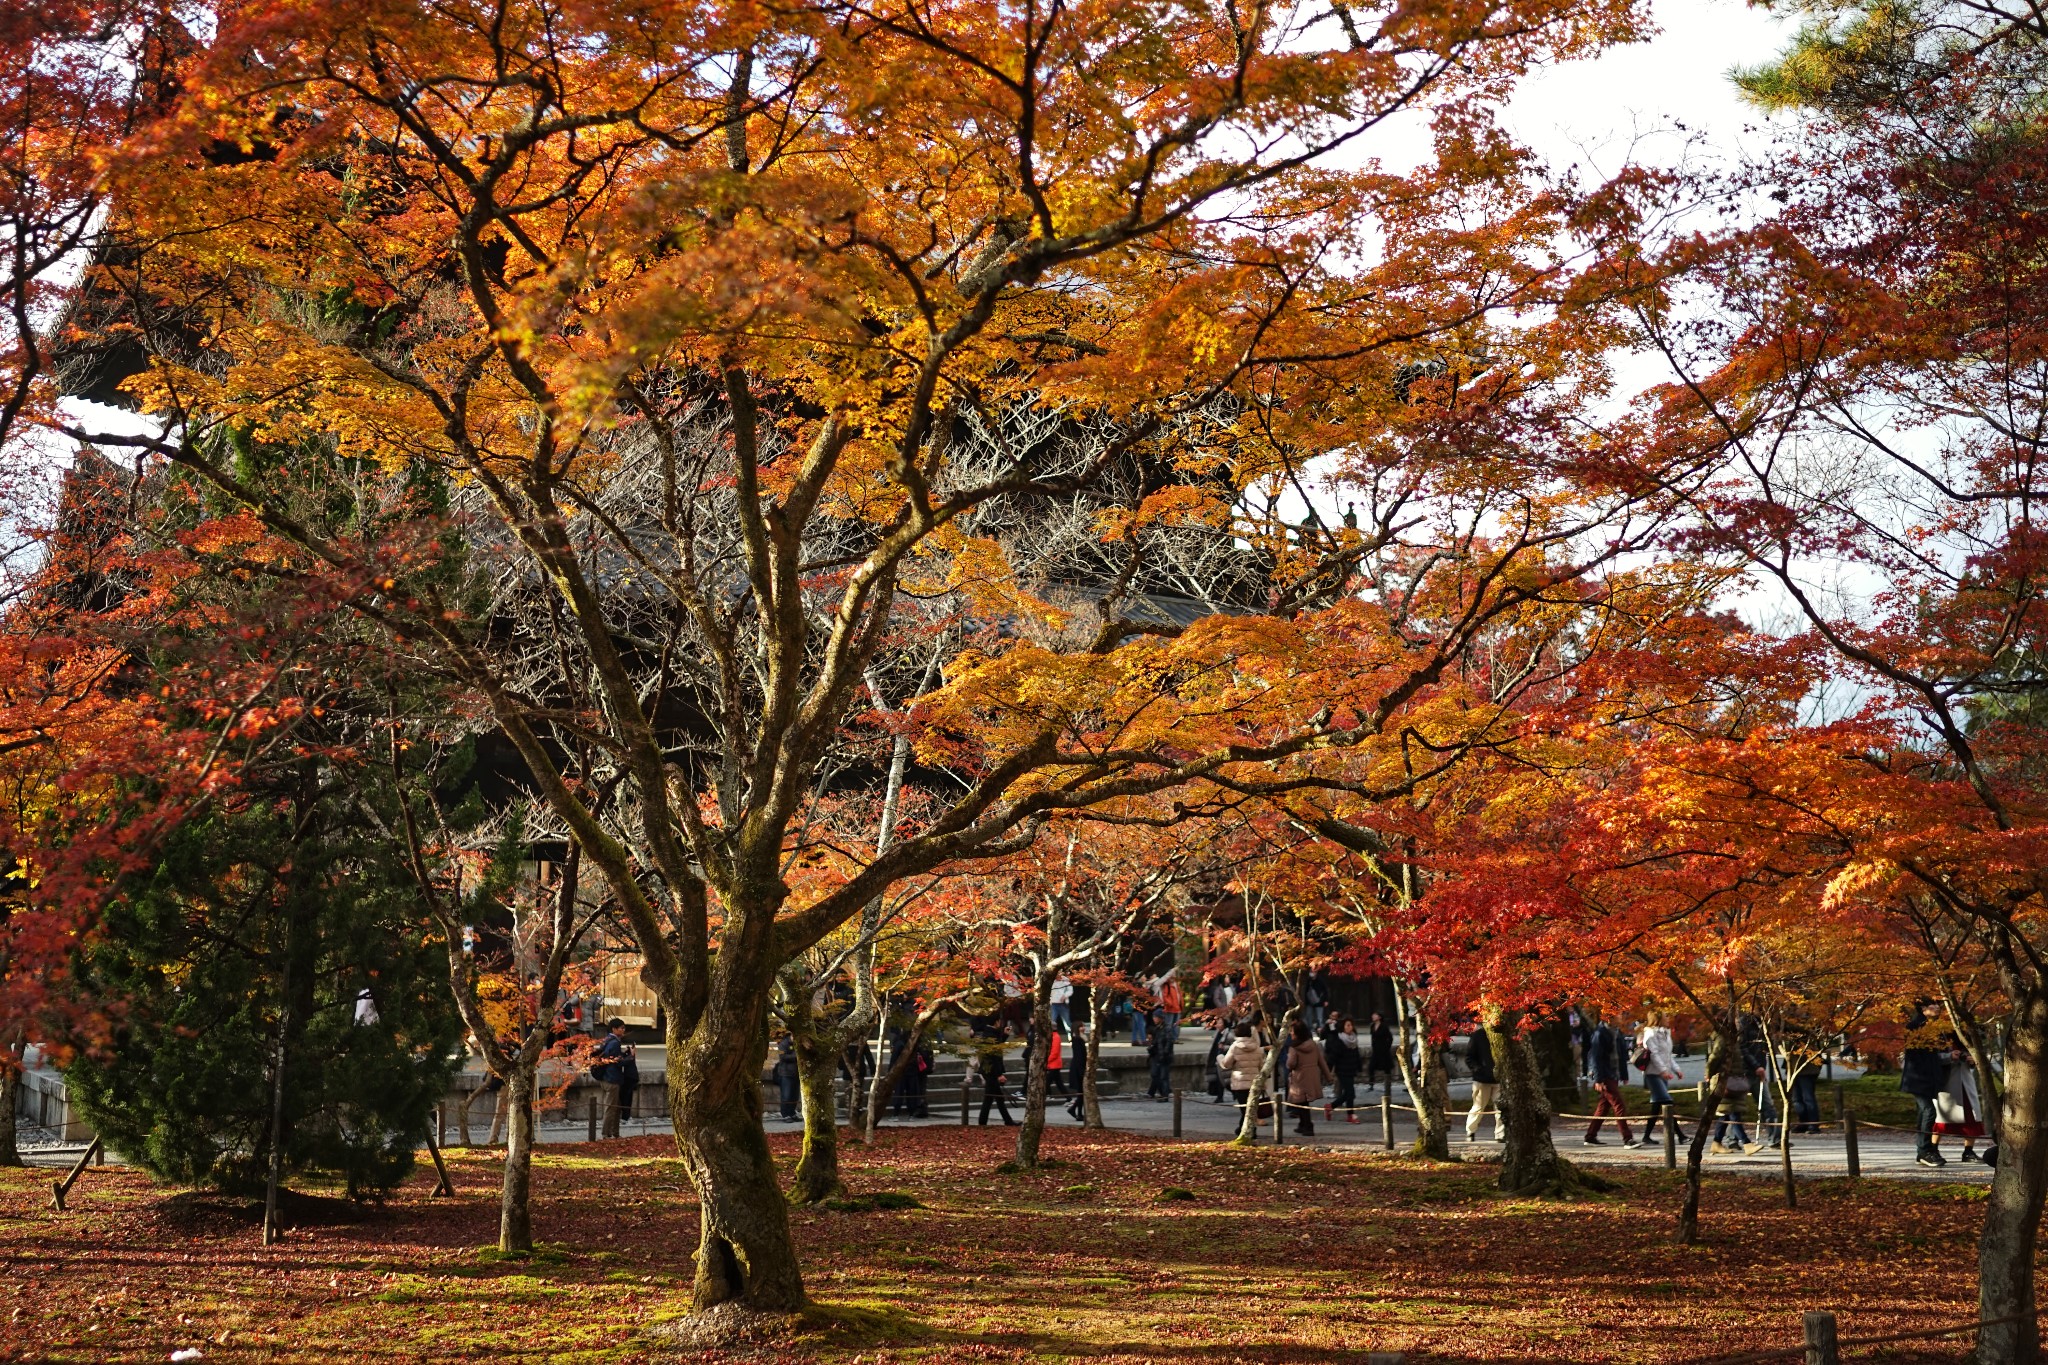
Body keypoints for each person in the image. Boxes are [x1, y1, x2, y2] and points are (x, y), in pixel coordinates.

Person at [1900, 1008, 1950, 1166]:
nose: (1937, 1007)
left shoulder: (1933, 1027)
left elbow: (1935, 1056)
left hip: (1928, 1079)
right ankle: (1924, 1150)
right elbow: (1919, 1057)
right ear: (1923, 1008)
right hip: (1919, 1079)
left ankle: (1925, 1150)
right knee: (1929, 1111)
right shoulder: (1915, 1026)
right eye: (1933, 1005)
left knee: (1924, 1113)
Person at [1582, 1013, 1635, 1147]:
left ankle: (1590, 1136)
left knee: (1603, 1107)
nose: (1620, 1017)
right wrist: (1598, 1079)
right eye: (1618, 1015)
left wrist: (1624, 1075)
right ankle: (1627, 1139)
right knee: (1619, 1105)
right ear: (1609, 1017)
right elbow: (1596, 1057)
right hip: (1605, 1075)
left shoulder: (1617, 1032)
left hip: (1613, 1073)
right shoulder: (1600, 1033)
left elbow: (1622, 1056)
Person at [1636, 1011, 1686, 1146]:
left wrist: (1676, 1070)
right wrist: (1663, 1071)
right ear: (1658, 1019)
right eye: (1665, 1016)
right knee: (1667, 1102)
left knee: (1658, 1105)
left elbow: (1668, 1056)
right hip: (1653, 1074)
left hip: (1663, 1074)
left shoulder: (1665, 1033)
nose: (1668, 1018)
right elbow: (1654, 1055)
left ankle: (1646, 1136)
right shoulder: (1651, 1034)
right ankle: (1680, 1135)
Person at [1935, 1049, 1987, 1162]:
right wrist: (1949, 1056)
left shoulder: (1966, 1038)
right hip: (1947, 1083)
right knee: (1941, 1119)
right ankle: (1933, 1149)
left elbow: (1975, 1060)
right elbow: (1933, 1059)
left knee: (1971, 1118)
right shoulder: (1937, 1037)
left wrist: (1972, 1060)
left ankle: (1968, 1151)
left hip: (1966, 1082)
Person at [1286, 1021, 1334, 1136]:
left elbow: (1291, 1064)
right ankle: (1302, 1125)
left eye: (1292, 1032)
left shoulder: (1294, 1048)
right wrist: (1328, 1076)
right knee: (1303, 1103)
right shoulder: (1313, 1044)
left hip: (1299, 1078)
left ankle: (1307, 1126)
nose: (1291, 1034)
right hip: (1311, 1076)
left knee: (1302, 1104)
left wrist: (1288, 1060)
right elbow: (1321, 1061)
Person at [1218, 1023, 1267, 1132]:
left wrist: (1220, 1059)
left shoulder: (1235, 1046)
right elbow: (1262, 1066)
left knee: (1244, 1108)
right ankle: (1245, 1129)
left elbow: (1226, 1064)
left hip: (1240, 1082)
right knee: (1250, 1108)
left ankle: (1247, 1130)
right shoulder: (1257, 1047)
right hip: (1254, 1082)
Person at [592, 1018, 629, 1139]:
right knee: (611, 1108)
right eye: (621, 1028)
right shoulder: (615, 1043)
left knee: (616, 1107)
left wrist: (624, 1055)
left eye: (624, 1028)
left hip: (604, 1077)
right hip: (612, 1079)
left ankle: (615, 1132)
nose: (623, 1030)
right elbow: (617, 1062)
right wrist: (631, 1057)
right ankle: (606, 1133)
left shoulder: (607, 1040)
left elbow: (612, 1058)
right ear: (614, 1029)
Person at [976, 1027, 1019, 1126]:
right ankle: (984, 1121)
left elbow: (996, 1049)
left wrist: (1004, 1035)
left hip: (988, 1071)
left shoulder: (987, 1035)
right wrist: (999, 1074)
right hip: (992, 1072)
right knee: (992, 1098)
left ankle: (1005, 1120)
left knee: (994, 1098)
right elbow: (994, 1058)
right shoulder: (991, 1036)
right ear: (996, 1023)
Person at [1325, 1016, 1363, 1122]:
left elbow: (1356, 1054)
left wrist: (1359, 1066)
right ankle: (1349, 1114)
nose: (1350, 1027)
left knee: (1349, 1093)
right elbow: (1333, 1056)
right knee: (1350, 1093)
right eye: (1348, 1025)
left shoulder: (1354, 1038)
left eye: (1351, 1025)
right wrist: (1328, 1070)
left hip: (1351, 1068)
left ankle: (1332, 1107)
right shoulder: (1340, 1040)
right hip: (1342, 1069)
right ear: (1343, 1027)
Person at [1465, 1022, 1499, 1143]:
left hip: (1498, 1078)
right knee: (1478, 1107)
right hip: (1481, 1078)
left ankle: (1500, 1134)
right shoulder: (1478, 1036)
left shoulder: (1500, 1035)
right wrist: (1478, 1069)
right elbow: (1469, 1057)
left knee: (1500, 1108)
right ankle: (1471, 1131)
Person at [1146, 1009, 1175, 1099]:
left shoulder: (1167, 1028)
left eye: (1156, 1017)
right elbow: (1156, 1042)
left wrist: (1165, 1053)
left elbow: (1169, 1041)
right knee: (1155, 1074)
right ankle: (1158, 1092)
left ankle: (1165, 1094)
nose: (1154, 1019)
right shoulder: (1157, 1029)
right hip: (1157, 1054)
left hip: (1164, 1055)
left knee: (1163, 1076)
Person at [1366, 1011, 1397, 1095]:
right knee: (1371, 1067)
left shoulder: (1384, 1026)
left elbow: (1390, 1038)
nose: (1373, 1016)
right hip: (1375, 1050)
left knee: (1386, 1068)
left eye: (1375, 1015)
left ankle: (1387, 1085)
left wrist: (1387, 1047)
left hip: (1383, 1050)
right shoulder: (1372, 1026)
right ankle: (1371, 1084)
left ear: (1379, 1017)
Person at [1157, 973, 1184, 1043]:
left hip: (1178, 1008)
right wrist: (1170, 1004)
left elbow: (1180, 996)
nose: (1173, 977)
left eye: (1174, 975)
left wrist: (1181, 1005)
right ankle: (1168, 1038)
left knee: (1176, 1024)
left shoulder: (1177, 985)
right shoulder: (1167, 986)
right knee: (1169, 1024)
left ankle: (1174, 1039)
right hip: (1171, 1008)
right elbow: (1165, 996)